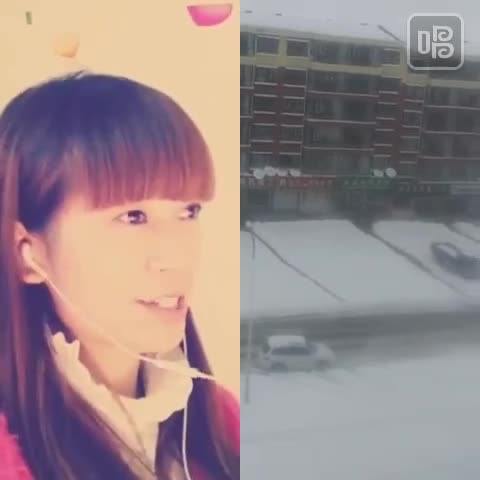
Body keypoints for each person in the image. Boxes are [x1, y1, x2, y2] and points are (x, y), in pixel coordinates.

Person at [0, 71, 239, 479]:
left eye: (189, 211)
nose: (177, 257)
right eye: (133, 217)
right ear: (27, 253)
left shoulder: (223, 422)